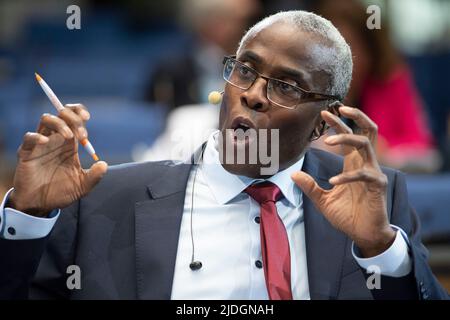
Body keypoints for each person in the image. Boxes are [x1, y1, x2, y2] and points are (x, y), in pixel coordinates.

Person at [0, 11, 448, 300]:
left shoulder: (373, 202)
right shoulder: (104, 197)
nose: (252, 95)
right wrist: (28, 217)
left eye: (286, 86)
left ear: (324, 120)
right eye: (245, 70)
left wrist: (381, 249)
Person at [309, 0, 440, 172]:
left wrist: (383, 152)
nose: (339, 60)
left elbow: (427, 154)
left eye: (350, 48)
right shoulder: (304, 88)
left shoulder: (391, 83)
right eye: (329, 49)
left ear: (371, 52)